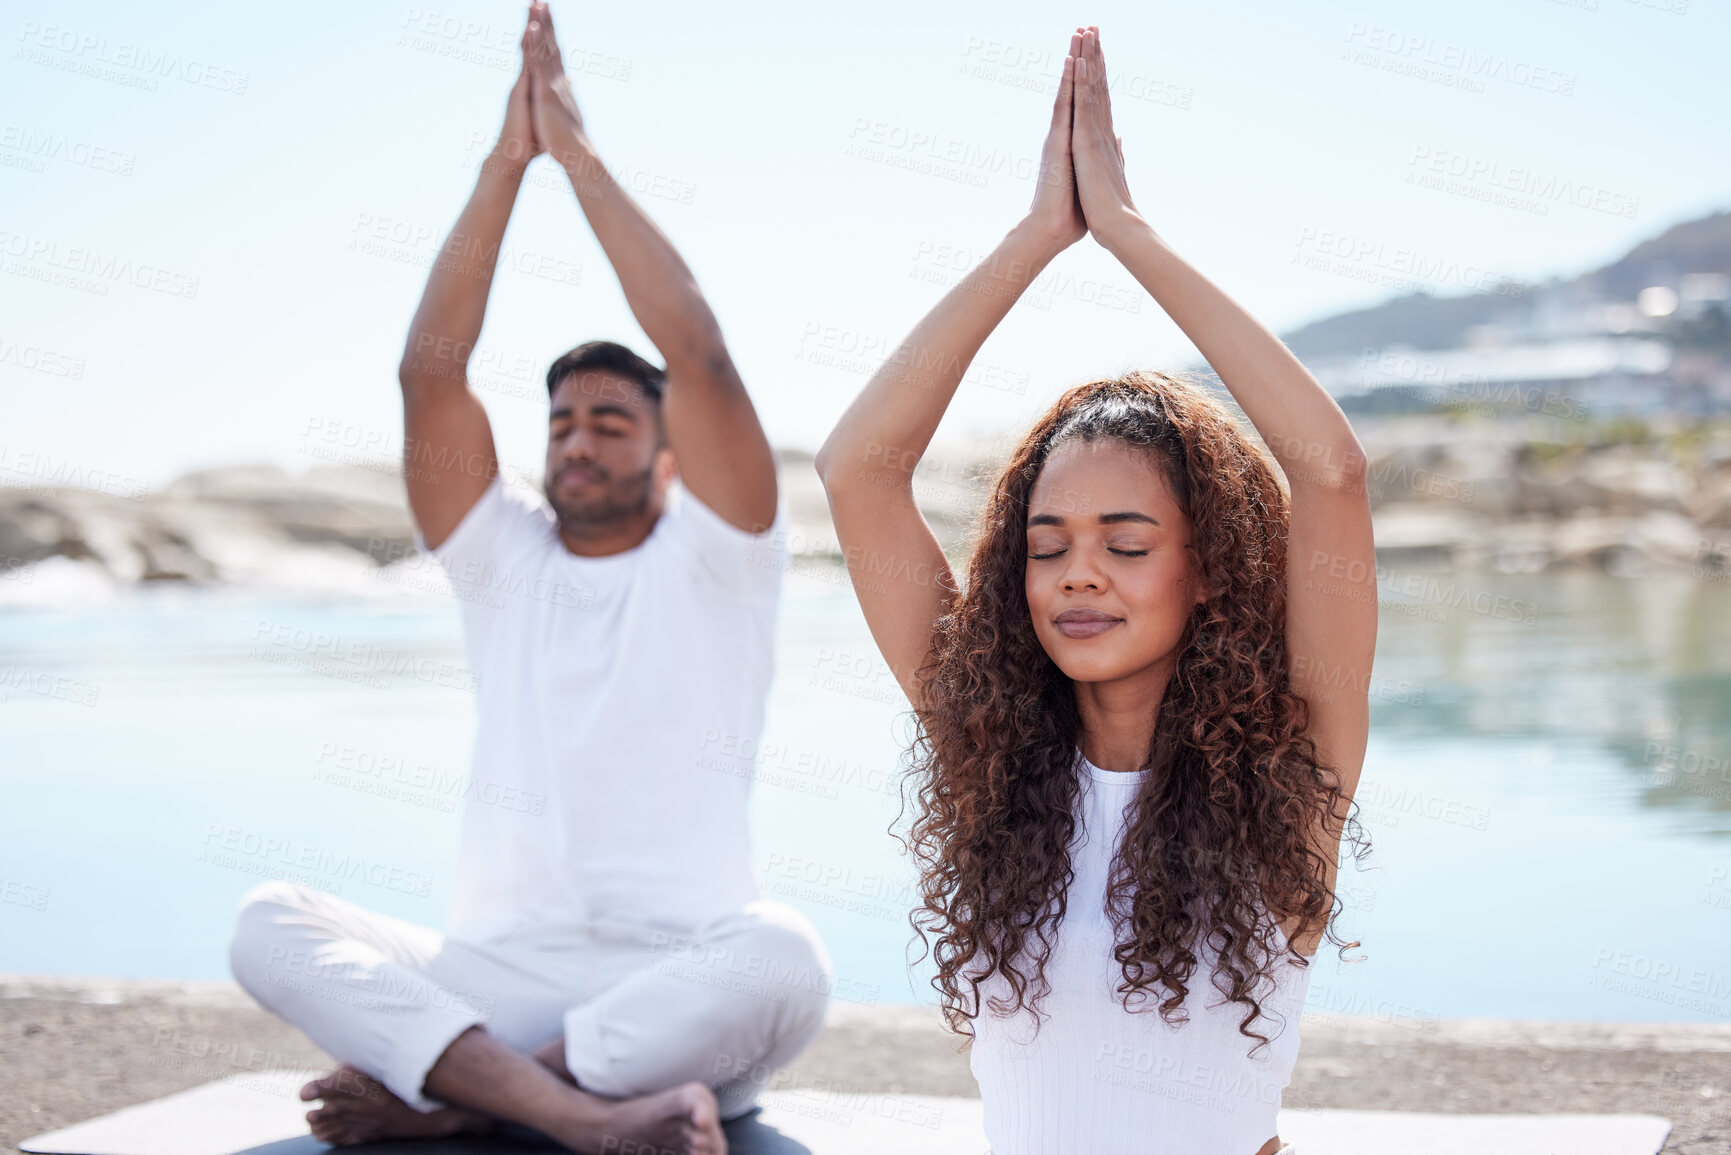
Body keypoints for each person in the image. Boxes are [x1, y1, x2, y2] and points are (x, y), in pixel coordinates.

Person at [227, 6, 829, 1153]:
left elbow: (697, 346)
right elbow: (429, 369)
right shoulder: (500, 558)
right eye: (560, 422)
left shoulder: (721, 555)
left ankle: (456, 1108)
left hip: (675, 997)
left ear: (667, 454)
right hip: (492, 988)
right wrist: (507, 164)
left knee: (788, 954)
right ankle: (574, 1119)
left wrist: (578, 159)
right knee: (266, 923)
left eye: (611, 421)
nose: (577, 441)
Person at [815, 27, 1374, 1155]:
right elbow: (857, 471)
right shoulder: (992, 751)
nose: (1076, 571)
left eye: (1126, 543)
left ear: (1206, 566)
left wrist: (1125, 232)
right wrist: (1034, 238)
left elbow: (1330, 472)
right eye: (1046, 542)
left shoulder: (1289, 779)